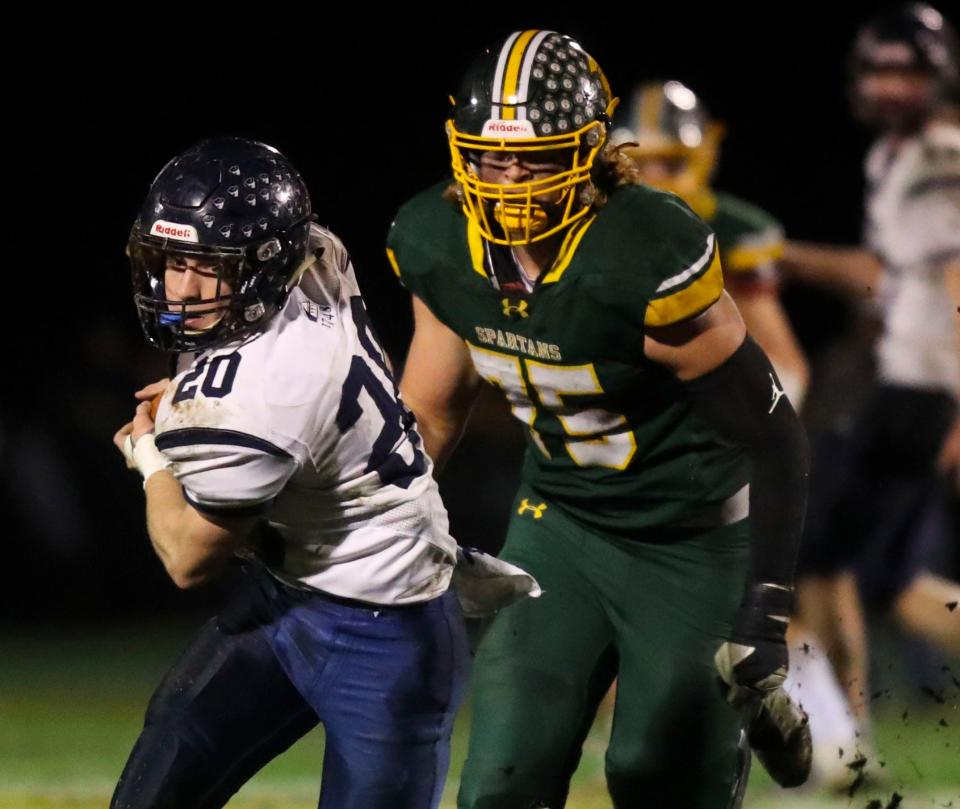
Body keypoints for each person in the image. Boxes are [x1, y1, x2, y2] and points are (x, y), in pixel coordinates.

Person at [387, 29, 810, 809]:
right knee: (499, 786)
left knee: (655, 774)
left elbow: (774, 432)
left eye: (535, 158)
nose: (509, 180)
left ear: (589, 155)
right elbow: (430, 412)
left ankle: (740, 716)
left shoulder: (640, 250)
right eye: (491, 154)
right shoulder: (438, 240)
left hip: (690, 538)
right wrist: (364, 530)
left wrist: (767, 607)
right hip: (561, 524)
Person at [111, 136, 536, 809]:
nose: (178, 287)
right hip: (287, 593)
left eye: (207, 266)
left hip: (386, 629)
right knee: (159, 773)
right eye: (171, 260)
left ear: (263, 264)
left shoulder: (273, 385)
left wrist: (149, 454)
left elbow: (188, 555)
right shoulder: (313, 255)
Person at [779, 1, 960, 785]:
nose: (892, 85)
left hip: (921, 395)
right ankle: (847, 738)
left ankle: (843, 740)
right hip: (907, 387)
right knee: (881, 576)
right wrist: (786, 255)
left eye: (907, 71)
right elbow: (887, 275)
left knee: (815, 550)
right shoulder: (899, 156)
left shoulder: (935, 157)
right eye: (882, 69)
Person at [611, 79, 810, 411]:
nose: (655, 181)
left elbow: (785, 367)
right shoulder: (593, 224)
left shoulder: (734, 233)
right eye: (640, 165)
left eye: (671, 164)